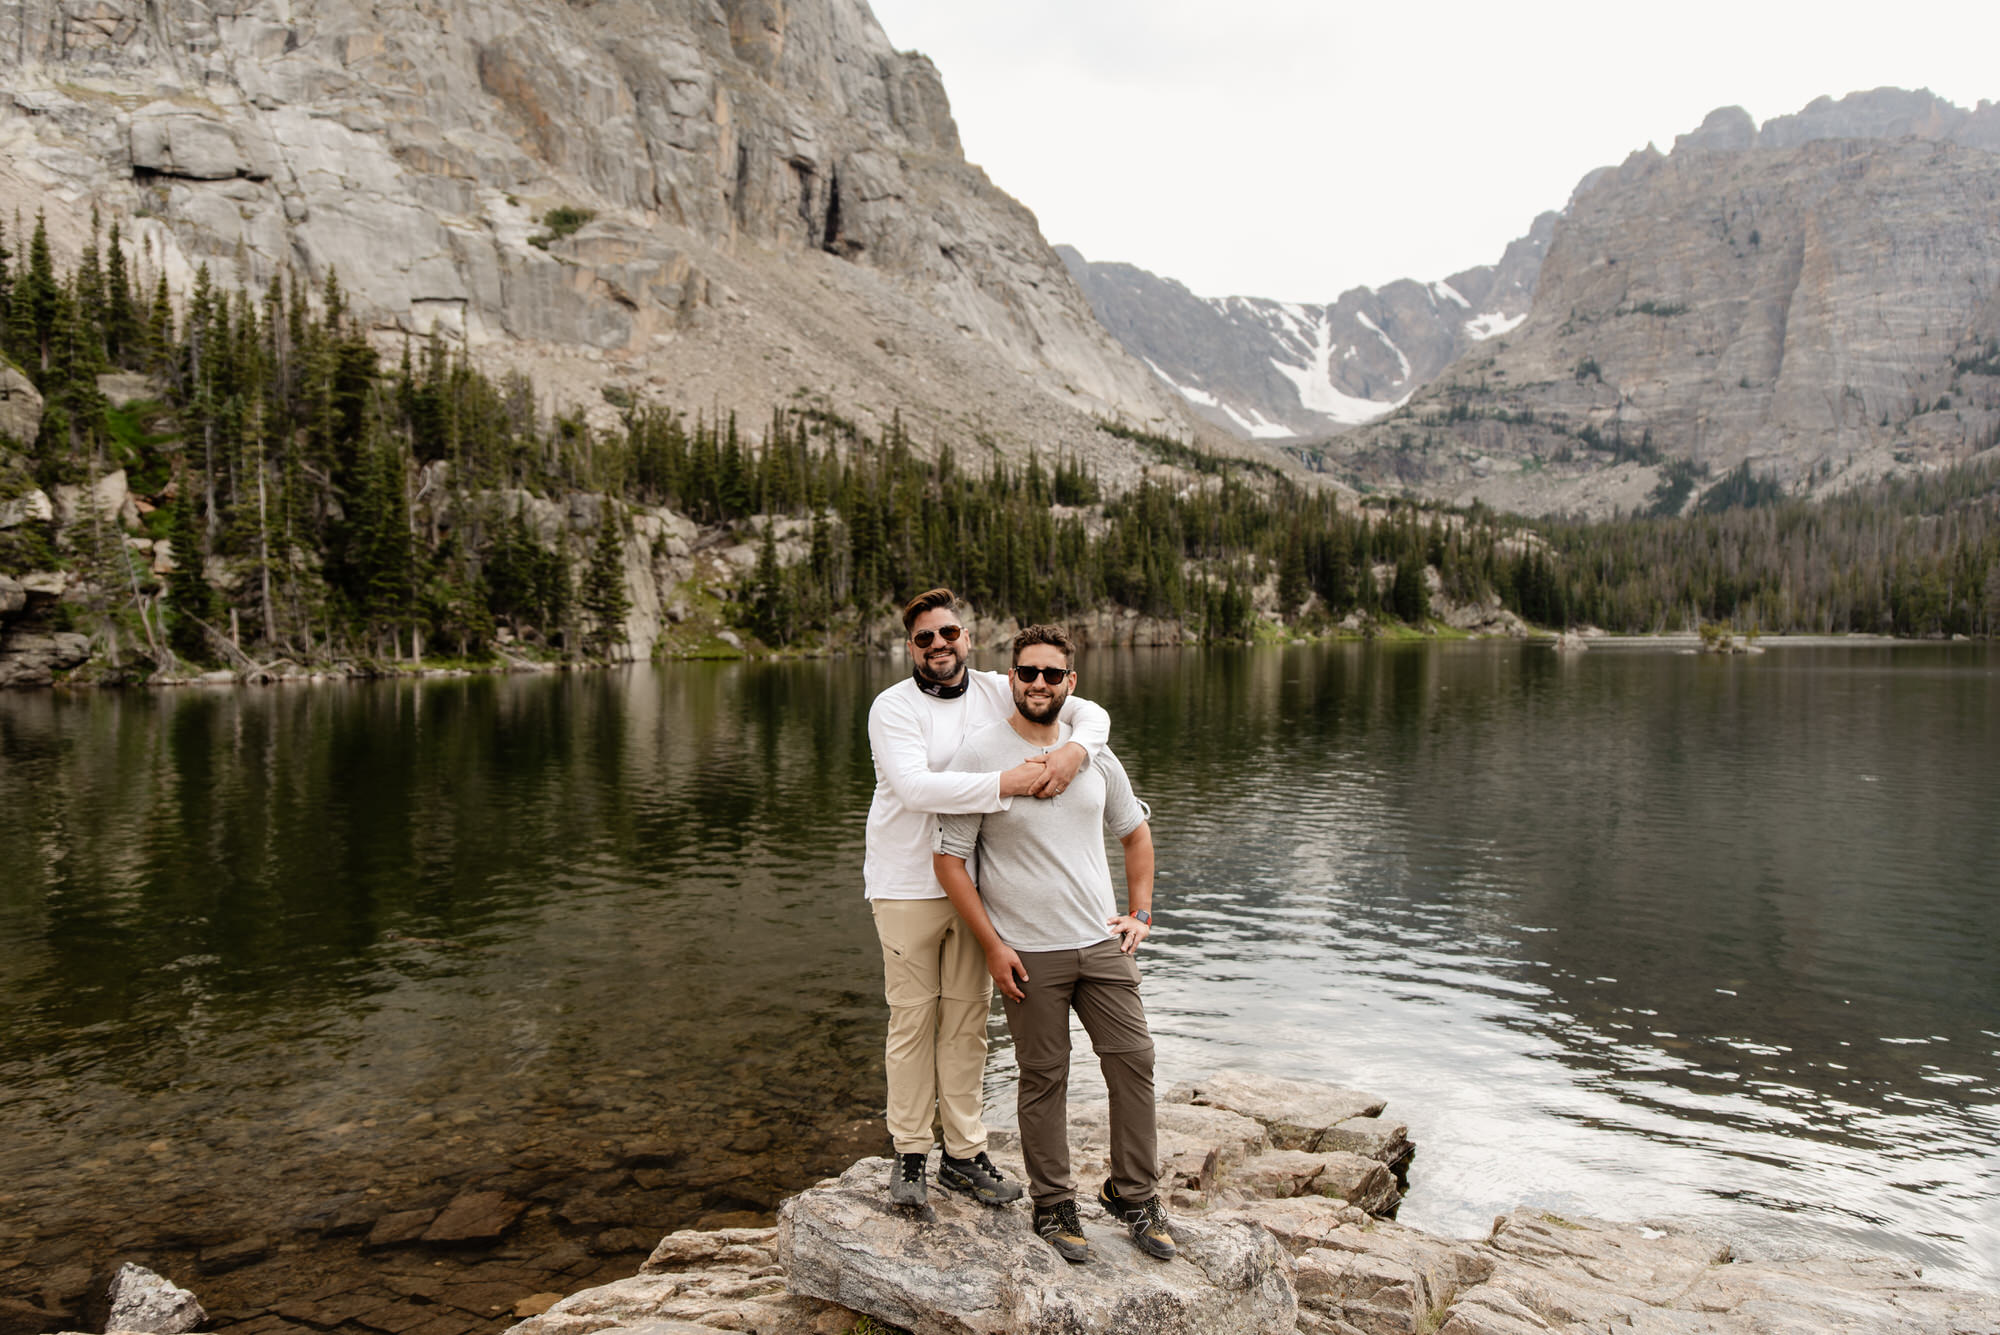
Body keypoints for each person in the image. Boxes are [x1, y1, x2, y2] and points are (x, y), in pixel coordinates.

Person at [931, 624, 1174, 1265]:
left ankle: (1135, 1196)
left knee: (1134, 1062)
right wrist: (991, 945)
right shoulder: (980, 753)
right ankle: (1054, 1202)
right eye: (1027, 673)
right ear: (1011, 678)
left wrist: (1141, 913)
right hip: (1028, 953)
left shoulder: (1092, 751)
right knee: (1044, 1077)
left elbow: (1136, 832)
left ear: (1072, 682)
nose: (1038, 683)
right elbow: (950, 860)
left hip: (1101, 943)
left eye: (1051, 674)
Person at [865, 589, 1110, 1210]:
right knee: (914, 1020)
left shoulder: (1000, 688)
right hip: (905, 885)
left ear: (966, 637)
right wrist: (1010, 780)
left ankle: (965, 1153)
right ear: (911, 646)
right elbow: (916, 787)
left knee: (970, 1023)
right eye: (925, 638)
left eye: (948, 634)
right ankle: (911, 1153)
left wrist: (1078, 750)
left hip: (977, 888)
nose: (939, 646)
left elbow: (1091, 714)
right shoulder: (891, 708)